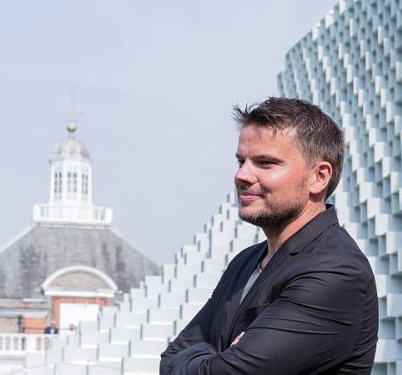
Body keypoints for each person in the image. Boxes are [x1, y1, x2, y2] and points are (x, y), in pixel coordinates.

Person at [160, 98, 379, 375]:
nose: (242, 175)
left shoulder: (335, 271)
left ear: (319, 177)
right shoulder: (246, 261)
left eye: (265, 163)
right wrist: (221, 356)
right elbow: (170, 357)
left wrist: (217, 357)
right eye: (241, 161)